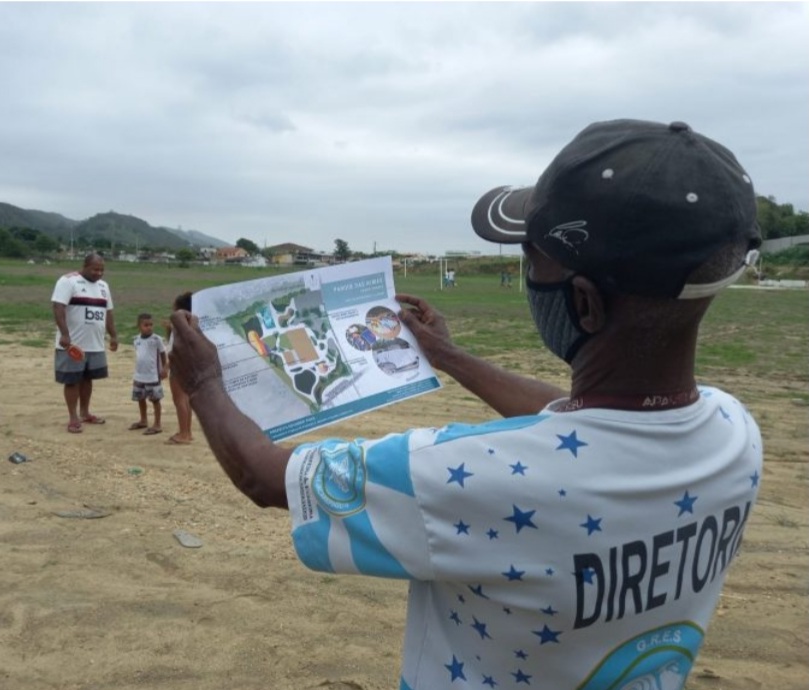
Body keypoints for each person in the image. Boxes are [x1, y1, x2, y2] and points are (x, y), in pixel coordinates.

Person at [168, 119, 763, 689]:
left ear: (584, 304)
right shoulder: (732, 431)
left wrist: (205, 385)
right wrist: (449, 357)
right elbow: (584, 421)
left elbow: (265, 477)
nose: (526, 271)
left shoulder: (468, 475)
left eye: (530, 257)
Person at [51, 252, 118, 433]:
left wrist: (113, 335)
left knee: (88, 379)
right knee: (72, 381)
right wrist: (65, 334)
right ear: (85, 266)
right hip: (73, 344)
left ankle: (85, 412)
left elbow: (108, 312)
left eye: (102, 270)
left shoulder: (104, 286)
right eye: (95, 269)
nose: (99, 273)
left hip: (95, 344)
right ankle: (73, 418)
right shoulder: (68, 281)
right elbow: (58, 307)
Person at [128, 312, 168, 435]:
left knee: (155, 399)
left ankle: (157, 424)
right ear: (139, 326)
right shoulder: (136, 340)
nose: (149, 327)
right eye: (146, 325)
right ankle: (143, 420)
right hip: (139, 375)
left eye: (151, 324)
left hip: (153, 375)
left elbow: (162, 354)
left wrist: (165, 368)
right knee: (140, 398)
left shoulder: (157, 339)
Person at [164, 291, 195, 445]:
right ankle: (187, 431)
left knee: (179, 400)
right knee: (186, 399)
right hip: (190, 365)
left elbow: (175, 348)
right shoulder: (192, 323)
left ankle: (183, 433)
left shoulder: (178, 324)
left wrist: (166, 366)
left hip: (178, 364)